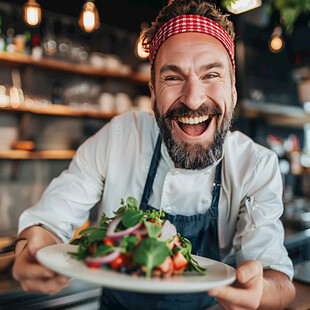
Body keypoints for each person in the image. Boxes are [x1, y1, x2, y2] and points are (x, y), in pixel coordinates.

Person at [13, 0, 296, 309]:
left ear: (233, 89)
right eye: (173, 78)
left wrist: (260, 291)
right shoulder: (120, 138)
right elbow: (49, 224)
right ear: (152, 92)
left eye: (211, 75)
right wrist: (33, 245)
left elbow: (278, 281)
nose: (192, 99)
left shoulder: (254, 166)